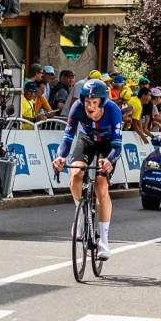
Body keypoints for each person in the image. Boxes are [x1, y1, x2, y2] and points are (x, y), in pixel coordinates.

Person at [52, 79, 123, 260]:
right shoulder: (77, 108)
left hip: (108, 145)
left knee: (101, 186)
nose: (90, 107)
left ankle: (104, 242)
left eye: (94, 103)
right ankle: (80, 216)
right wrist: (60, 157)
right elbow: (68, 137)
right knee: (76, 174)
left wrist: (109, 160)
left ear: (102, 103)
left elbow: (117, 146)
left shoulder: (113, 112)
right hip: (87, 140)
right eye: (87, 102)